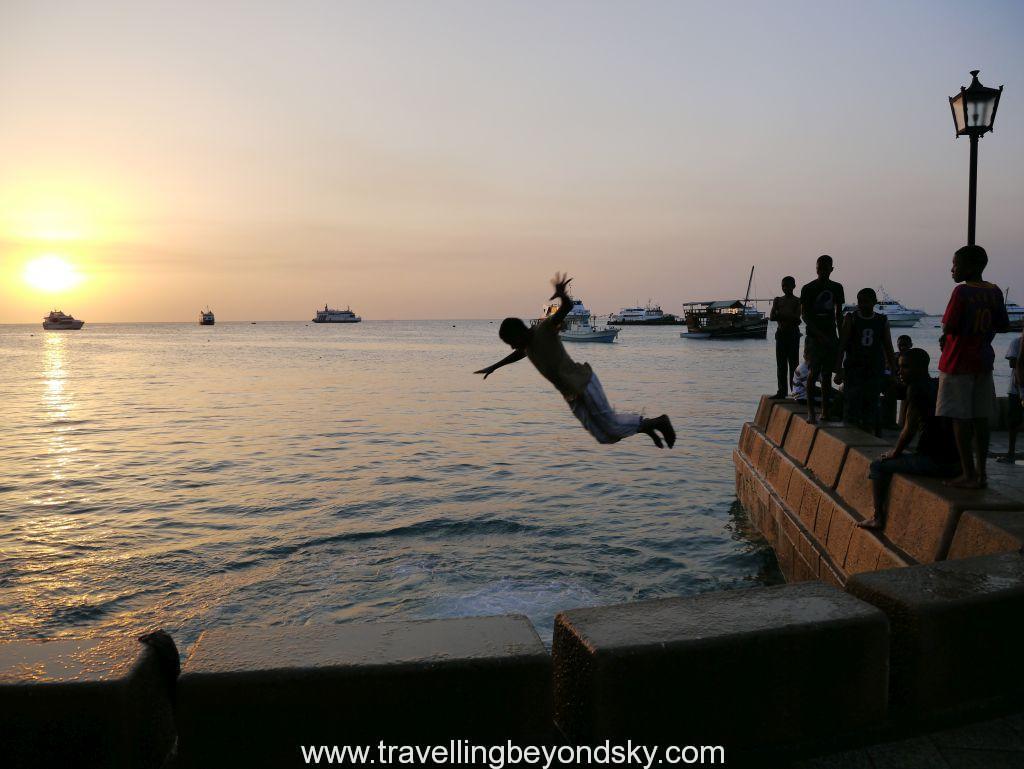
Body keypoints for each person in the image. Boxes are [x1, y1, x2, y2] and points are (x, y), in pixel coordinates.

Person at [475, 273, 676, 448]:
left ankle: (658, 422)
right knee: (604, 436)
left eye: (511, 341)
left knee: (612, 426)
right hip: (572, 394)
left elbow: (567, 307)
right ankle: (647, 426)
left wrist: (562, 294)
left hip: (583, 382)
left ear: (519, 333)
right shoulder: (527, 346)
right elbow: (519, 353)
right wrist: (495, 366)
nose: (512, 346)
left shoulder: (544, 329)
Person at [858, 349, 960, 530]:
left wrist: (894, 453)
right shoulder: (936, 384)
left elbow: (909, 429)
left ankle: (877, 517)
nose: (899, 372)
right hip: (954, 462)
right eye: (899, 367)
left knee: (877, 465)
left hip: (935, 462)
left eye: (905, 367)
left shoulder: (915, 389)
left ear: (920, 368)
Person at [937, 245, 1009, 488]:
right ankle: (982, 474)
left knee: (960, 418)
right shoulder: (995, 291)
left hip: (957, 362)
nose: (952, 269)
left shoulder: (961, 292)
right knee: (980, 418)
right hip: (984, 360)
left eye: (955, 265)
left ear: (970, 267)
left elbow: (949, 326)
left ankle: (968, 473)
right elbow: (1003, 324)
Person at [835, 288, 896, 435]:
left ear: (874, 302)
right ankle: (851, 432)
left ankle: (872, 432)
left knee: (872, 401)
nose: (862, 305)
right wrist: (838, 370)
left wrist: (893, 369)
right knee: (852, 401)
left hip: (874, 367)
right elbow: (842, 345)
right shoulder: (851, 318)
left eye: (866, 302)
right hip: (854, 367)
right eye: (860, 302)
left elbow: (888, 346)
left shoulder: (882, 320)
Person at [799, 255, 845, 424]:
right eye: (820, 268)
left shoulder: (837, 288)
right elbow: (804, 315)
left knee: (827, 375)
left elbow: (838, 314)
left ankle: (825, 411)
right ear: (816, 269)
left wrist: (841, 337)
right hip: (814, 337)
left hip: (831, 335)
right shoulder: (808, 288)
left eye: (826, 269)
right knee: (813, 373)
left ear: (831, 269)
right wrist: (818, 334)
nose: (822, 272)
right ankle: (811, 412)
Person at [770, 276, 801, 399]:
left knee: (794, 365)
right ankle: (782, 391)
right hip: (781, 334)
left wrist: (781, 315)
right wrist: (787, 315)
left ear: (794, 286)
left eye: (788, 286)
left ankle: (795, 391)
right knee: (781, 365)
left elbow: (797, 319)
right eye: (783, 286)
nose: (785, 288)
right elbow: (772, 317)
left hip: (793, 335)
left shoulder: (797, 301)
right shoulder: (778, 300)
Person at [998, 331, 1022, 464]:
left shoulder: (1016, 343)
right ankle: (1010, 453)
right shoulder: (1017, 342)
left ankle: (1011, 453)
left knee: (1014, 421)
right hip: (1016, 388)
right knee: (1013, 421)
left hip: (1016, 389)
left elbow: (1013, 362)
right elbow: (1012, 363)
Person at [882, 334, 915, 428]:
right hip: (895, 385)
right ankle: (890, 422)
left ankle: (907, 423)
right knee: (890, 389)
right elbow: (886, 370)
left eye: (905, 345)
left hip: (910, 386)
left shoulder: (915, 358)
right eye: (901, 345)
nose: (902, 347)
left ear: (911, 345)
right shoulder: (893, 356)